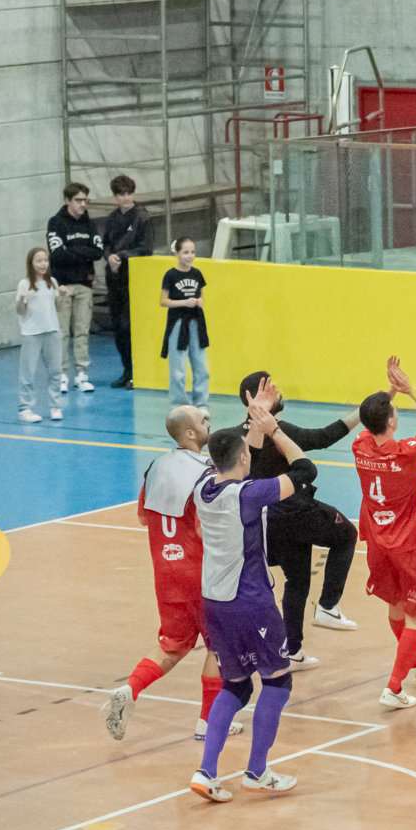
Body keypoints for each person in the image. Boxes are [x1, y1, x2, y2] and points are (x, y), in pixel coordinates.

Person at [188, 401, 317, 800]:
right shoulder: (248, 495)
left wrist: (254, 419)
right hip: (251, 601)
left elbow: (239, 455)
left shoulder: (203, 486)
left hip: (215, 603)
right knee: (277, 681)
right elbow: (305, 470)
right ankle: (257, 771)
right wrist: (274, 429)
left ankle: (206, 772)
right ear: (242, 457)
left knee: (237, 685)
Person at [103, 404, 240, 743]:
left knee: (173, 644)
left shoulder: (156, 467)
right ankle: (208, 722)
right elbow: (208, 526)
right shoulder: (205, 473)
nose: (209, 424)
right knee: (220, 646)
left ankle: (129, 689)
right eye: (203, 421)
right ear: (190, 433)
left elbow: (143, 517)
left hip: (165, 572)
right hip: (200, 573)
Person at [239, 370, 359, 664]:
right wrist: (363, 412)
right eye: (270, 389)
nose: (278, 391)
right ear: (255, 399)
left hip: (268, 522)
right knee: (347, 534)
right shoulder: (273, 432)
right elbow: (324, 437)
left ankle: (292, 651)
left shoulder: (242, 435)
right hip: (295, 512)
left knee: (298, 580)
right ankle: (328, 606)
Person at [353, 357, 416, 709]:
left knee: (395, 607)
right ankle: (393, 686)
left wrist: (389, 394)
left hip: (377, 544)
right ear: (392, 421)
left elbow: (371, 422)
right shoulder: (406, 452)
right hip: (407, 545)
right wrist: (410, 390)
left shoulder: (359, 446)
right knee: (415, 614)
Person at [46, 181, 103, 394]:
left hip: (84, 285)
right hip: (62, 286)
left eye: (85, 200)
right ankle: (61, 375)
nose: (83, 204)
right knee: (62, 333)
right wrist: (82, 251)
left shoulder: (89, 224)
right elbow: (57, 254)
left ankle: (81, 374)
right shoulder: (56, 223)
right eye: (78, 200)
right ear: (67, 200)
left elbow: (97, 251)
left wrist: (72, 249)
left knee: (82, 332)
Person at [103, 174, 149, 388]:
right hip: (114, 278)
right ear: (115, 197)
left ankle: (138, 372)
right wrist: (109, 257)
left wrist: (121, 256)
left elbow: (145, 248)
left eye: (129, 193)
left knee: (129, 326)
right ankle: (127, 369)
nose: (125, 198)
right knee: (117, 327)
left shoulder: (142, 217)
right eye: (121, 194)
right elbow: (105, 244)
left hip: (134, 278)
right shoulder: (112, 218)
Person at [159, 239, 208, 409]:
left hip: (196, 323)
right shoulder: (170, 275)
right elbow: (163, 301)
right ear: (177, 254)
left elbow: (201, 296)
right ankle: (178, 405)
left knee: (201, 367)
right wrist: (184, 303)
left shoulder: (197, 274)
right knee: (178, 369)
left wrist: (199, 302)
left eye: (192, 252)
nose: (190, 256)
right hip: (178, 324)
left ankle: (201, 403)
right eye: (186, 252)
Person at [15, 247, 62, 423]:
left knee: (55, 371)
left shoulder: (52, 282)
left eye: (45, 260)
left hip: (52, 330)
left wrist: (61, 295)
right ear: (31, 263)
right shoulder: (24, 284)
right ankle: (25, 409)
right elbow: (20, 311)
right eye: (39, 261)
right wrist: (23, 298)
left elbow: (57, 307)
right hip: (32, 333)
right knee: (28, 372)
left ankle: (55, 406)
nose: (43, 264)